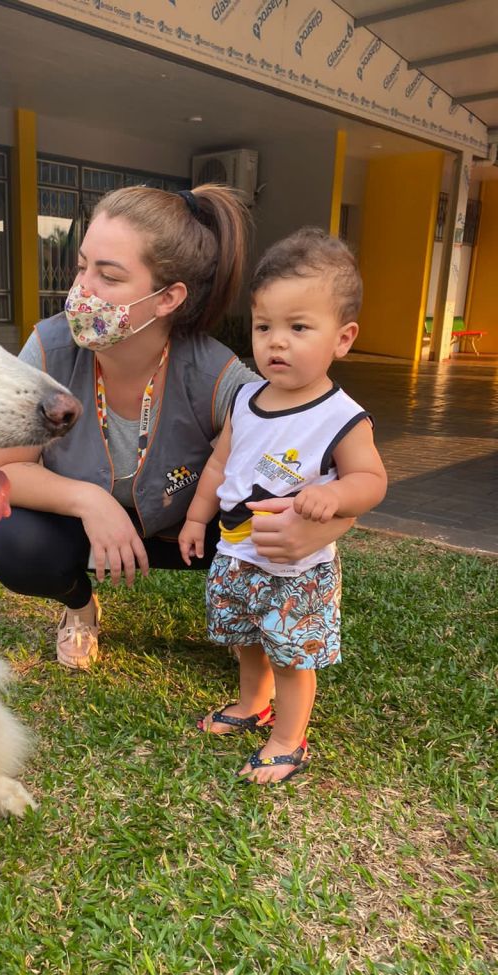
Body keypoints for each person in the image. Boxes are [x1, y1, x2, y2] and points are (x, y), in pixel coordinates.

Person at [0, 187, 354, 670]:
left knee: (264, 522)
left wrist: (325, 526)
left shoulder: (213, 373)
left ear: (168, 298)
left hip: (186, 528)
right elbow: (1, 467)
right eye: (82, 267)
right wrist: (89, 501)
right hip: (84, 528)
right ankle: (81, 608)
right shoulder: (51, 348)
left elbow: (323, 451)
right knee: (18, 545)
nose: (82, 290)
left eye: (108, 275)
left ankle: (256, 608)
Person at [178, 227, 387, 785]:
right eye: (264, 326)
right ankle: (253, 705)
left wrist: (333, 494)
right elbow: (221, 464)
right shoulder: (247, 398)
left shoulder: (341, 415)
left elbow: (371, 480)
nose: (276, 342)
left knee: (294, 656)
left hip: (297, 570)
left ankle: (289, 741)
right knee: (246, 639)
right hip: (238, 555)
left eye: (299, 328)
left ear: (342, 339)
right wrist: (198, 518)